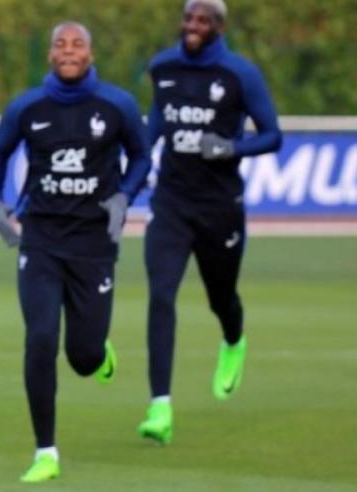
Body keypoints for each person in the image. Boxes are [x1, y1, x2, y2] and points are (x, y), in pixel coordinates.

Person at [0, 22, 150, 482]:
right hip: (41, 239)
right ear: (50, 55)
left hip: (94, 244)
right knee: (39, 338)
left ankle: (99, 354)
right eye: (60, 43)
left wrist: (124, 196)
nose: (68, 50)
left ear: (91, 54)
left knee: (83, 357)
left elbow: (141, 156)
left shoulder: (116, 104)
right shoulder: (27, 106)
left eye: (77, 44)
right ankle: (46, 451)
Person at [139, 0, 282, 445]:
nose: (192, 26)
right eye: (188, 18)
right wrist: (136, 163)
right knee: (161, 294)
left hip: (220, 206)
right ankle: (160, 406)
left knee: (221, 297)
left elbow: (272, 134)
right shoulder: (162, 66)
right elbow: (159, 120)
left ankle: (233, 338)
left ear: (219, 27)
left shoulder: (241, 74)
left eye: (203, 20)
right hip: (171, 203)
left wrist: (230, 148)